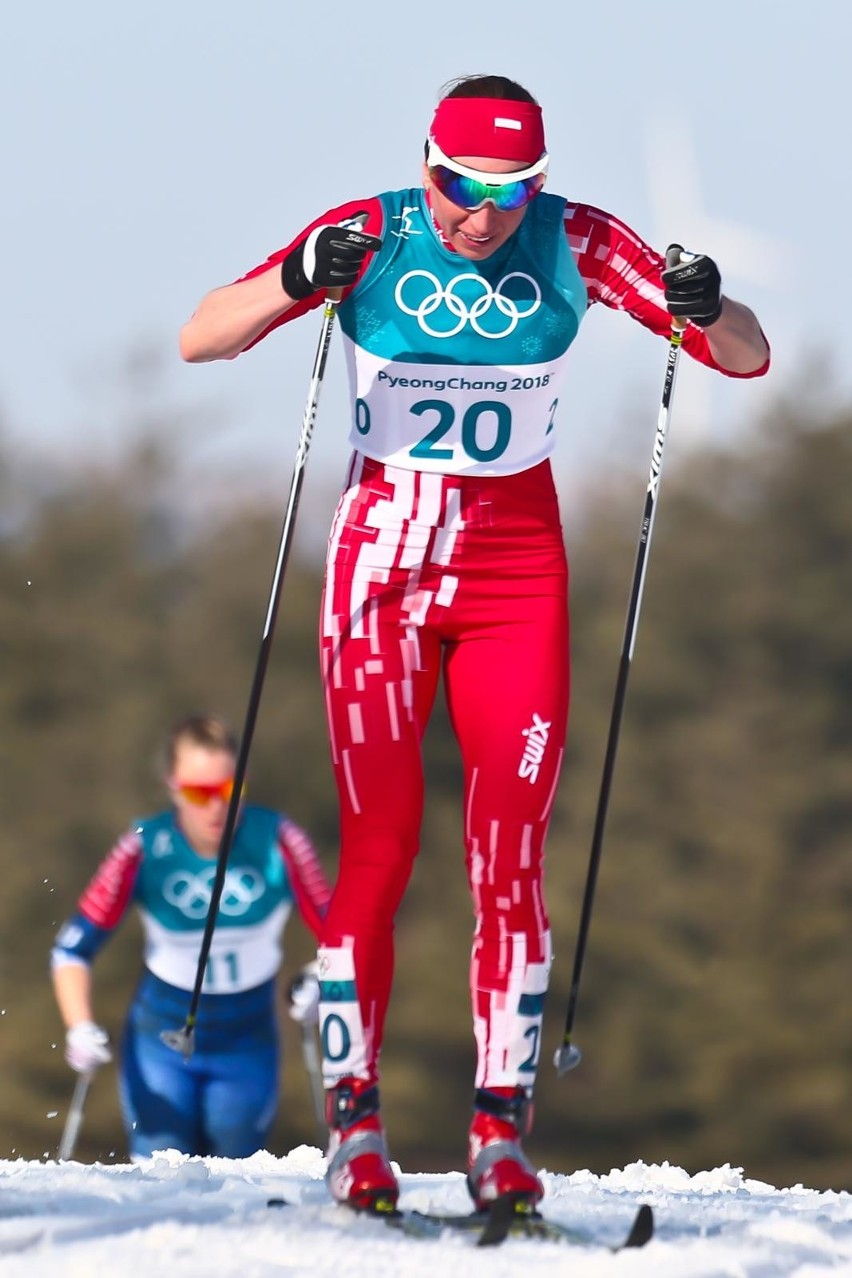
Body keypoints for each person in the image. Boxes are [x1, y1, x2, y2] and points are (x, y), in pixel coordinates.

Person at [179, 74, 770, 1213]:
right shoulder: (367, 232)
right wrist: (301, 283)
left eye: (506, 193)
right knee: (383, 845)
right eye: (457, 187)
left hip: (516, 580)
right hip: (380, 577)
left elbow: (741, 357)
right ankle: (356, 1130)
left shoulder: (582, 242)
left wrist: (707, 301)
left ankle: (501, 1135)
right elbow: (204, 334)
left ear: (536, 186)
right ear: (426, 164)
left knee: (509, 856)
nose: (477, 216)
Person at [51, 713, 331, 1159]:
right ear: (173, 787)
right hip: (161, 1036)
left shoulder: (279, 839)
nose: (216, 807)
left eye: (228, 790)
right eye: (199, 793)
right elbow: (71, 948)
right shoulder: (144, 844)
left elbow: (340, 936)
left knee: (235, 1176)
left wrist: (322, 979)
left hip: (247, 1038)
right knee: (160, 1166)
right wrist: (79, 1027)